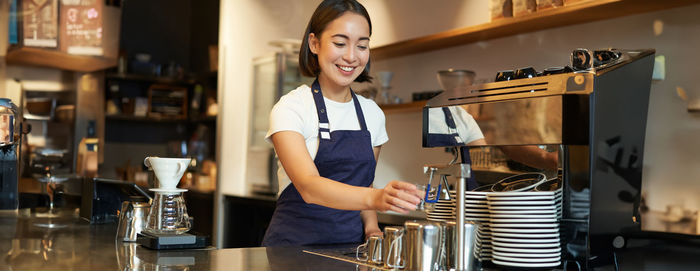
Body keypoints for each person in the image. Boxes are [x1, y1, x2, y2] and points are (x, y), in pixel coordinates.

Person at [261, 0, 423, 247]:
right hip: (291, 250)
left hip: (349, 250)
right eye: (339, 43)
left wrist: (371, 228)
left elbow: (364, 184)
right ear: (314, 44)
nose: (351, 56)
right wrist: (377, 197)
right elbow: (309, 187)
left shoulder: (373, 114)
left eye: (362, 45)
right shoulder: (292, 107)